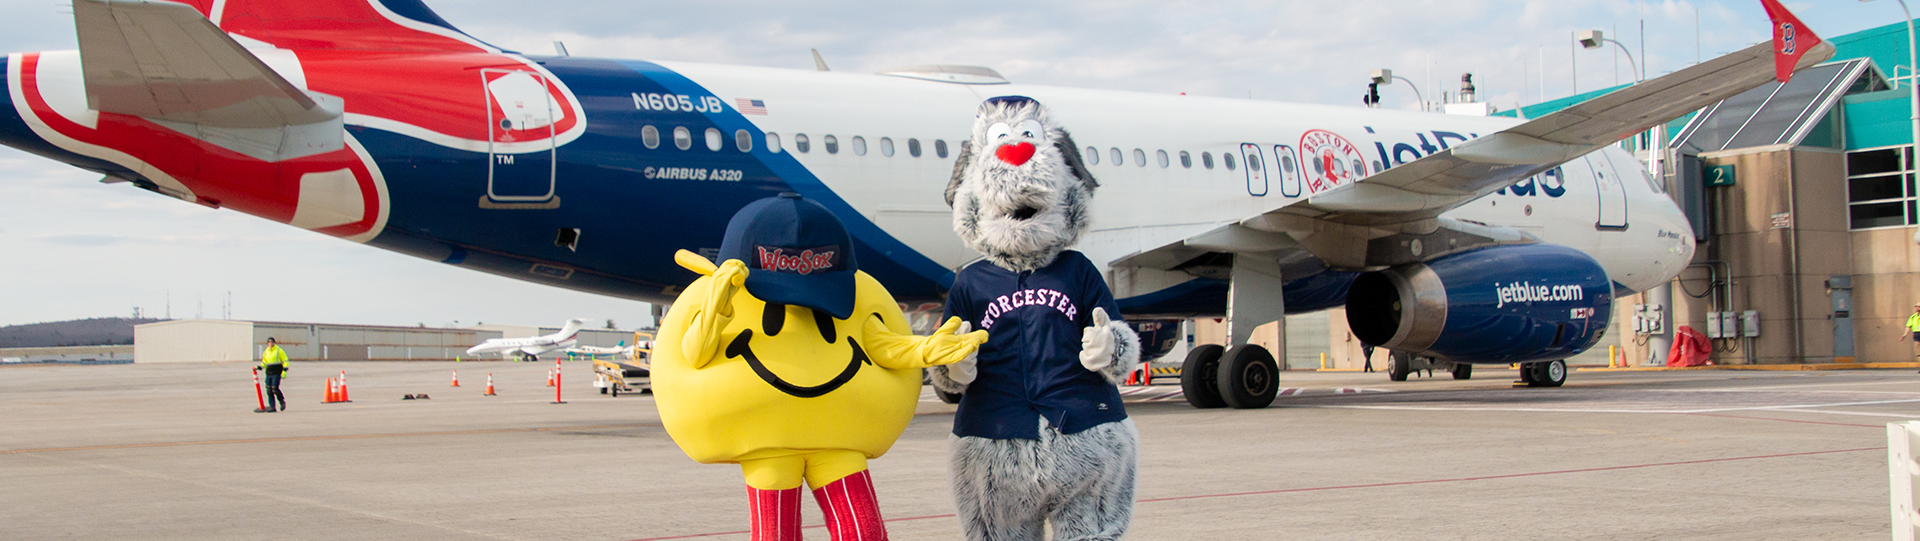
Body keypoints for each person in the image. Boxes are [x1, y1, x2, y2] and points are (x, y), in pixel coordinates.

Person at [257, 337, 288, 412]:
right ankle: (272, 406)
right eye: (269, 342)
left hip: (277, 371)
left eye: (272, 342)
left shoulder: (279, 350)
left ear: (274, 342)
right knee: (269, 389)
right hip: (269, 372)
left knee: (274, 388)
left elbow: (285, 360)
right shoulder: (266, 352)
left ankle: (281, 401)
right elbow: (265, 362)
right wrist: (259, 367)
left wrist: (284, 370)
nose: (270, 343)